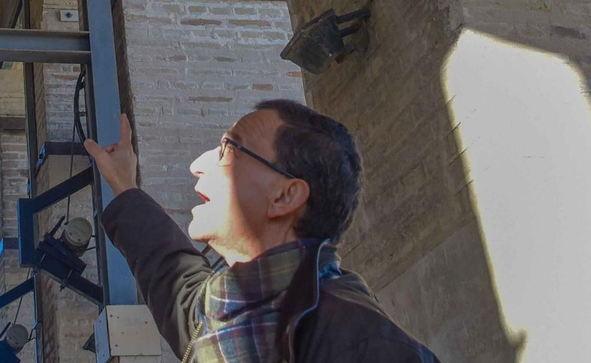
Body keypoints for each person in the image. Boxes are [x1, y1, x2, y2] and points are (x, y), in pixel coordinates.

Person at [83, 100, 439, 363]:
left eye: (228, 150)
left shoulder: (365, 346)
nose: (197, 166)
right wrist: (124, 185)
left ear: (285, 196)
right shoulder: (215, 317)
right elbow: (165, 265)